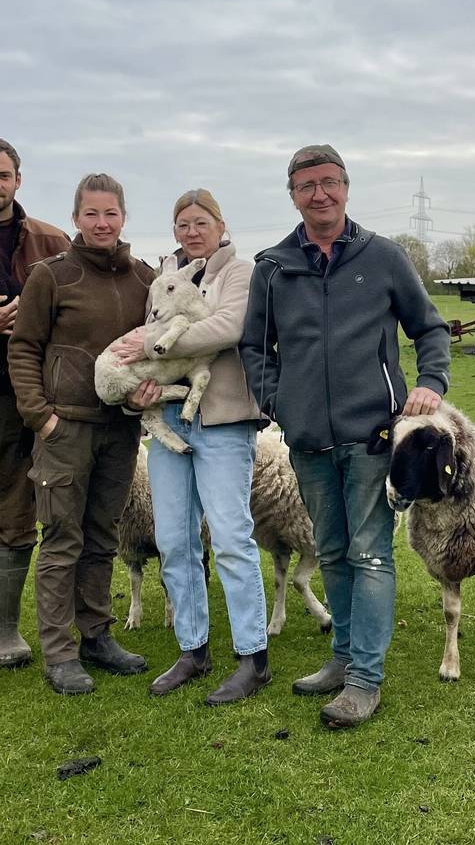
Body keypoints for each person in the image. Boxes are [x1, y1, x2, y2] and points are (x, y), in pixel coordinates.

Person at [240, 144, 450, 729]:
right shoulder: (274, 267)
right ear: (293, 195)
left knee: (370, 553)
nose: (320, 195)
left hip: (373, 436)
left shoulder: (383, 258)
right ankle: (341, 658)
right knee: (330, 550)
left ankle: (364, 679)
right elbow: (256, 348)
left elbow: (430, 329)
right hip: (306, 441)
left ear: (346, 187)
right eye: (307, 186)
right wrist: (276, 399)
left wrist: (430, 382)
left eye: (329, 183)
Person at [114, 188, 270, 704]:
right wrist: (142, 381)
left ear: (220, 225)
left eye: (201, 221)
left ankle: (253, 656)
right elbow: (148, 335)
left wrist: (154, 343)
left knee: (229, 537)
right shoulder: (166, 278)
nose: (192, 230)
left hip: (223, 420)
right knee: (175, 541)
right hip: (172, 424)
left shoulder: (240, 273)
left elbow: (228, 326)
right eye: (183, 223)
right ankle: (192, 649)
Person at [8, 173, 154, 694]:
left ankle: (96, 635)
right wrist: (40, 415)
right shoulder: (52, 276)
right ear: (76, 218)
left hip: (120, 430)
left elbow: (155, 346)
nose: (101, 222)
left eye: (110, 213)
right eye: (91, 213)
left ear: (123, 217)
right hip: (65, 426)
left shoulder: (143, 278)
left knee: (102, 537)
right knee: (62, 540)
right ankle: (60, 651)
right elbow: (24, 347)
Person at [0, 139, 70, 668]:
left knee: (17, 508)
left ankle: (7, 631)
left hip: (25, 397)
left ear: (18, 179)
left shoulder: (49, 240)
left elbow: (75, 303)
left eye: (3, 175)